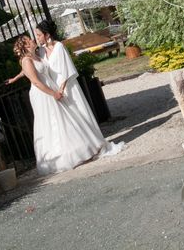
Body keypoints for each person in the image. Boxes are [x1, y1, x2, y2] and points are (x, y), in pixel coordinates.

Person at [13, 35, 117, 175]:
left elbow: (26, 71)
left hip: (50, 87)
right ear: (25, 46)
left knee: (65, 117)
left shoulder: (36, 55)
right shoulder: (26, 60)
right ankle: (62, 156)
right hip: (42, 93)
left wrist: (15, 77)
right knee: (52, 121)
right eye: (29, 40)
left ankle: (79, 148)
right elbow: (36, 81)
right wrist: (53, 93)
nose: (33, 40)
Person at [34, 19, 123, 158]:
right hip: (55, 88)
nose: (37, 38)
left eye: (39, 35)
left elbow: (66, 69)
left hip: (67, 86)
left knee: (80, 113)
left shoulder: (59, 47)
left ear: (47, 34)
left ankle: (96, 145)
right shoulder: (40, 51)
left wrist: (62, 89)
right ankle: (82, 149)